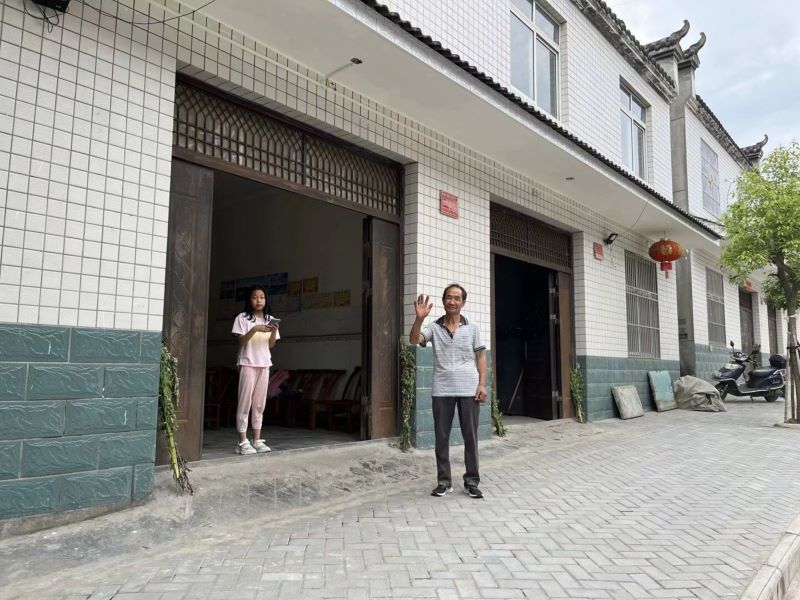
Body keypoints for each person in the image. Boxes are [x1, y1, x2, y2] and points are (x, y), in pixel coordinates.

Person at [409, 284, 487, 499]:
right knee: (441, 437)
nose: (452, 301)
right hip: (442, 389)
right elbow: (414, 340)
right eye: (449, 298)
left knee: (470, 436)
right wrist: (419, 319)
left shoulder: (472, 328)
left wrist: (482, 384)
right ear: (444, 301)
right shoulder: (434, 327)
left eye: (457, 298)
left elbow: (481, 356)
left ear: (463, 302)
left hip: (468, 388)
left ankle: (472, 481)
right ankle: (444, 481)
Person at [232, 285, 280, 455]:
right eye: (254, 297)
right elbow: (241, 342)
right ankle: (242, 441)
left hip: (264, 364)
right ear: (249, 299)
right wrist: (254, 329)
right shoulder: (242, 318)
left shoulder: (270, 319)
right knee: (244, 402)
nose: (259, 300)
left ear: (266, 299)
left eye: (262, 297)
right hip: (247, 363)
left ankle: (257, 440)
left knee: (259, 404)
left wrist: (273, 331)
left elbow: (271, 345)